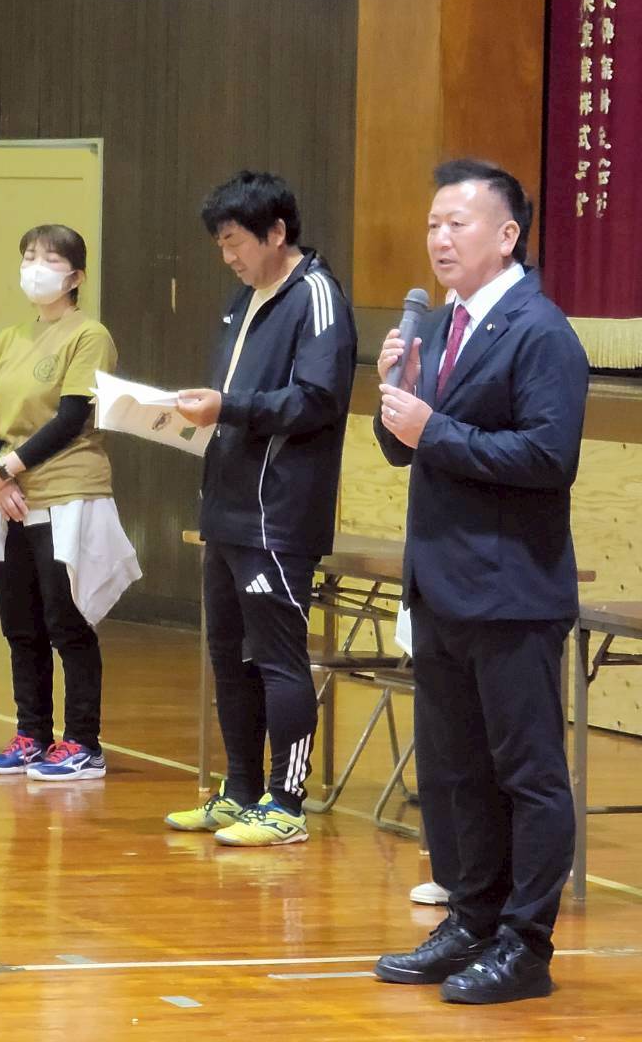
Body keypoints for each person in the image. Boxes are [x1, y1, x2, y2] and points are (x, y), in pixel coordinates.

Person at [373, 159, 589, 1004]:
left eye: (456, 223)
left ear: (507, 235)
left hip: (511, 591)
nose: (439, 238)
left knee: (525, 775)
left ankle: (525, 946)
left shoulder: (541, 331)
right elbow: (407, 450)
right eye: (432, 223)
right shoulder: (441, 327)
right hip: (440, 586)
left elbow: (548, 456)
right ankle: (471, 920)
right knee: (453, 770)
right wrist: (398, 396)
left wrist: (433, 428)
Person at [165, 170, 356, 846]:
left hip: (278, 514)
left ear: (276, 233)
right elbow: (233, 399)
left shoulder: (317, 296)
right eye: (220, 244)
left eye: (234, 241)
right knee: (229, 658)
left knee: (277, 658)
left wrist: (229, 407)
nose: (227, 256)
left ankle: (286, 802)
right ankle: (240, 790)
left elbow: (318, 399)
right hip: (227, 507)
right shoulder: (243, 299)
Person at [0, 224, 138, 782]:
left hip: (66, 491)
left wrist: (7, 468)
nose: (34, 268)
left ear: (76, 276)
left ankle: (84, 741)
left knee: (68, 619)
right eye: (28, 257)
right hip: (8, 496)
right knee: (20, 622)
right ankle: (32, 734)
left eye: (48, 259)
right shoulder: (10, 337)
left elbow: (71, 417)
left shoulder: (90, 335)